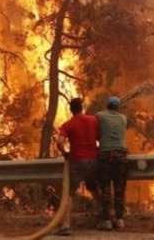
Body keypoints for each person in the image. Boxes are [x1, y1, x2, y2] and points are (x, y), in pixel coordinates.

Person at [53, 97, 99, 236]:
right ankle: (105, 217)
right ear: (82, 107)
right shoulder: (93, 120)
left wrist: (65, 154)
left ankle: (66, 225)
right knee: (95, 189)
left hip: (77, 162)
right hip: (93, 160)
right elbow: (100, 137)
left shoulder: (68, 125)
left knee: (69, 194)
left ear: (70, 109)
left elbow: (59, 142)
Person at [96, 96, 128, 230]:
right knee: (120, 188)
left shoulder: (100, 116)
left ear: (107, 106)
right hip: (121, 155)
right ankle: (120, 220)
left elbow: (97, 131)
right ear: (118, 107)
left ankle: (107, 221)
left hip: (105, 155)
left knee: (105, 189)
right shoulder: (123, 118)